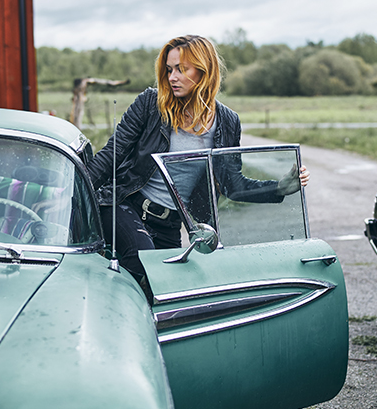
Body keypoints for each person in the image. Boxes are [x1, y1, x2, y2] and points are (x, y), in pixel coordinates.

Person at [86, 34, 308, 290]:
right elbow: (111, 154)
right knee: (141, 261)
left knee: (165, 287)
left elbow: (232, 185)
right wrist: (74, 192)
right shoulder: (150, 103)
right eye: (169, 70)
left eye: (181, 69)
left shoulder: (227, 122)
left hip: (170, 223)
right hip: (125, 205)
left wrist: (279, 188)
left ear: (204, 71)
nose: (172, 77)